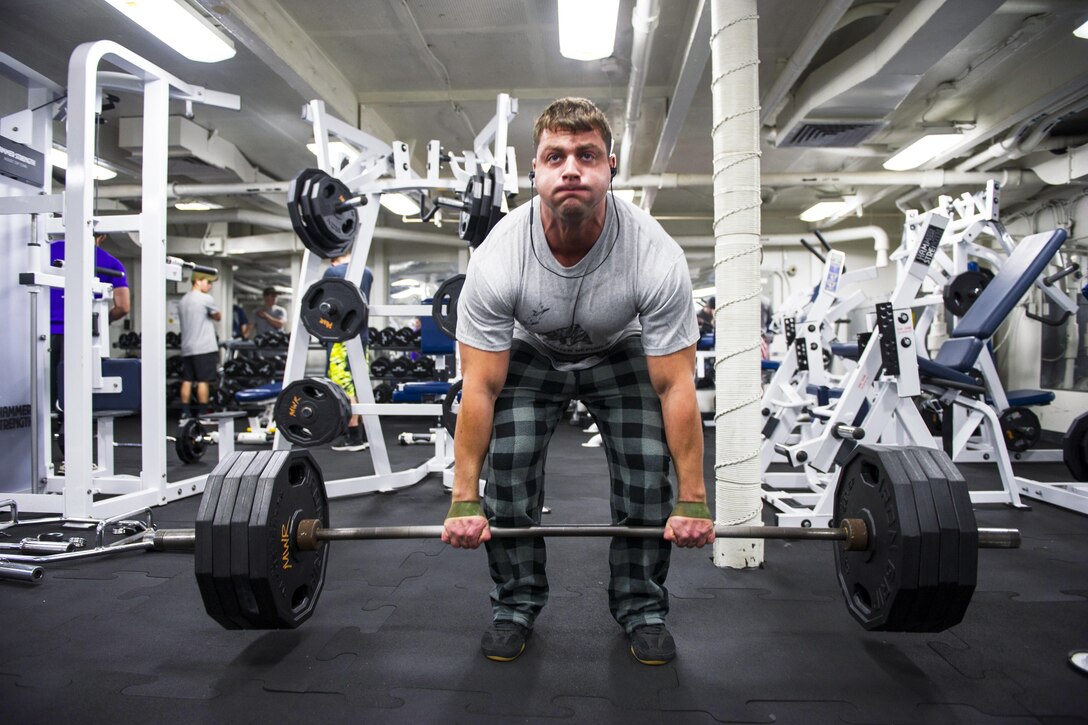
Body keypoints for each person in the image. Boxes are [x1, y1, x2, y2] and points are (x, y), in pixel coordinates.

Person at [442, 97, 714, 665]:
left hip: (619, 348)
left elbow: (676, 387)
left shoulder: (654, 254)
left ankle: (642, 607)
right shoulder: (498, 259)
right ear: (535, 172)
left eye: (587, 155)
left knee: (646, 477)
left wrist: (693, 498)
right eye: (556, 156)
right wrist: (462, 496)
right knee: (509, 475)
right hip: (531, 351)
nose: (571, 168)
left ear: (610, 167)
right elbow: (480, 388)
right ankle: (514, 605)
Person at [48, 234, 130, 410]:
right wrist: (101, 320)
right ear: (102, 236)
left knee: (40, 390)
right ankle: (70, 430)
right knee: (75, 389)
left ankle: (44, 431)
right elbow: (123, 307)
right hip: (80, 334)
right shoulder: (111, 262)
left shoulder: (45, 251)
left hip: (40, 331)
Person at [323, 252, 373, 452]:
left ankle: (353, 438)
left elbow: (324, 307)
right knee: (358, 383)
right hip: (361, 336)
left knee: (345, 387)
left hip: (339, 338)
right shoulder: (367, 272)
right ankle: (362, 432)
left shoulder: (332, 271)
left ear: (333, 258)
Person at [178, 274, 221, 421]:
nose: (209, 286)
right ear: (197, 281)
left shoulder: (183, 300)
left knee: (187, 380)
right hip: (204, 347)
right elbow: (218, 316)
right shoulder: (205, 299)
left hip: (187, 347)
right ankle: (203, 415)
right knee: (203, 381)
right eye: (207, 282)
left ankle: (185, 413)